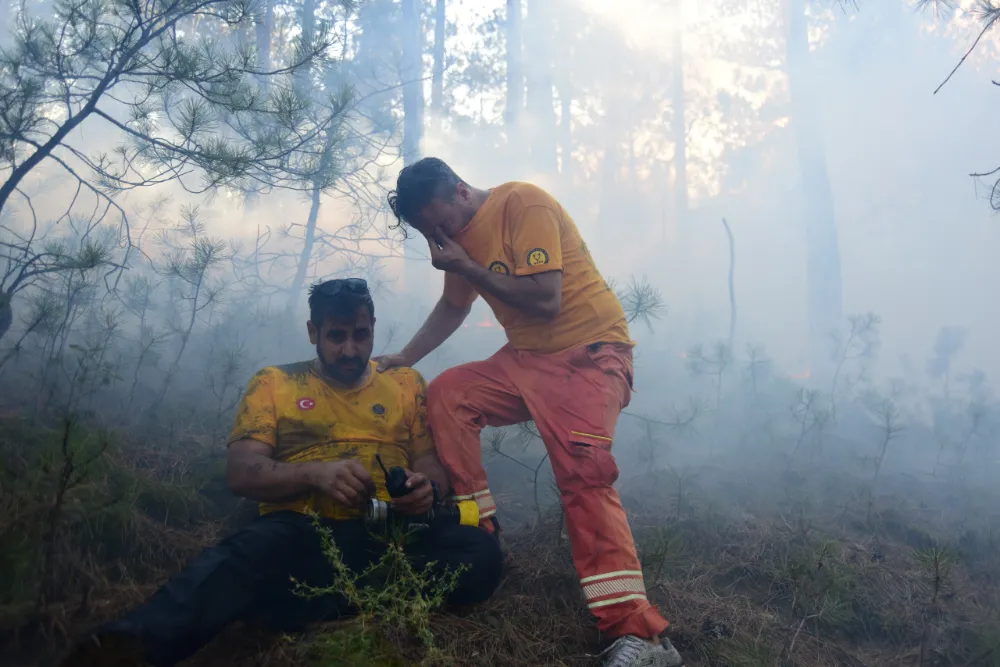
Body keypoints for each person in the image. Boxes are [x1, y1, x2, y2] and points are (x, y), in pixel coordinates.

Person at [61, 278, 504, 667]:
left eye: (361, 335)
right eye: (336, 336)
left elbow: (430, 463)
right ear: (313, 332)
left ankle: (298, 603)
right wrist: (314, 475)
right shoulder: (275, 382)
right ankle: (132, 645)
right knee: (242, 555)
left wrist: (426, 487)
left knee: (480, 557)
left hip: (389, 529)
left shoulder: (407, 383)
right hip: (300, 528)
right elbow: (242, 472)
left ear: (373, 327)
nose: (350, 349)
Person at [379, 157, 684, 667]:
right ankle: (483, 537)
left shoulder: (522, 203)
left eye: (440, 223)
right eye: (426, 231)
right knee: (450, 394)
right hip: (528, 361)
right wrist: (405, 357)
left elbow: (546, 300)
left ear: (459, 191)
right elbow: (455, 307)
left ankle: (640, 636)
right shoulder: (456, 241)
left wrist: (467, 267)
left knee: (584, 477)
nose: (437, 237)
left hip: (589, 354)